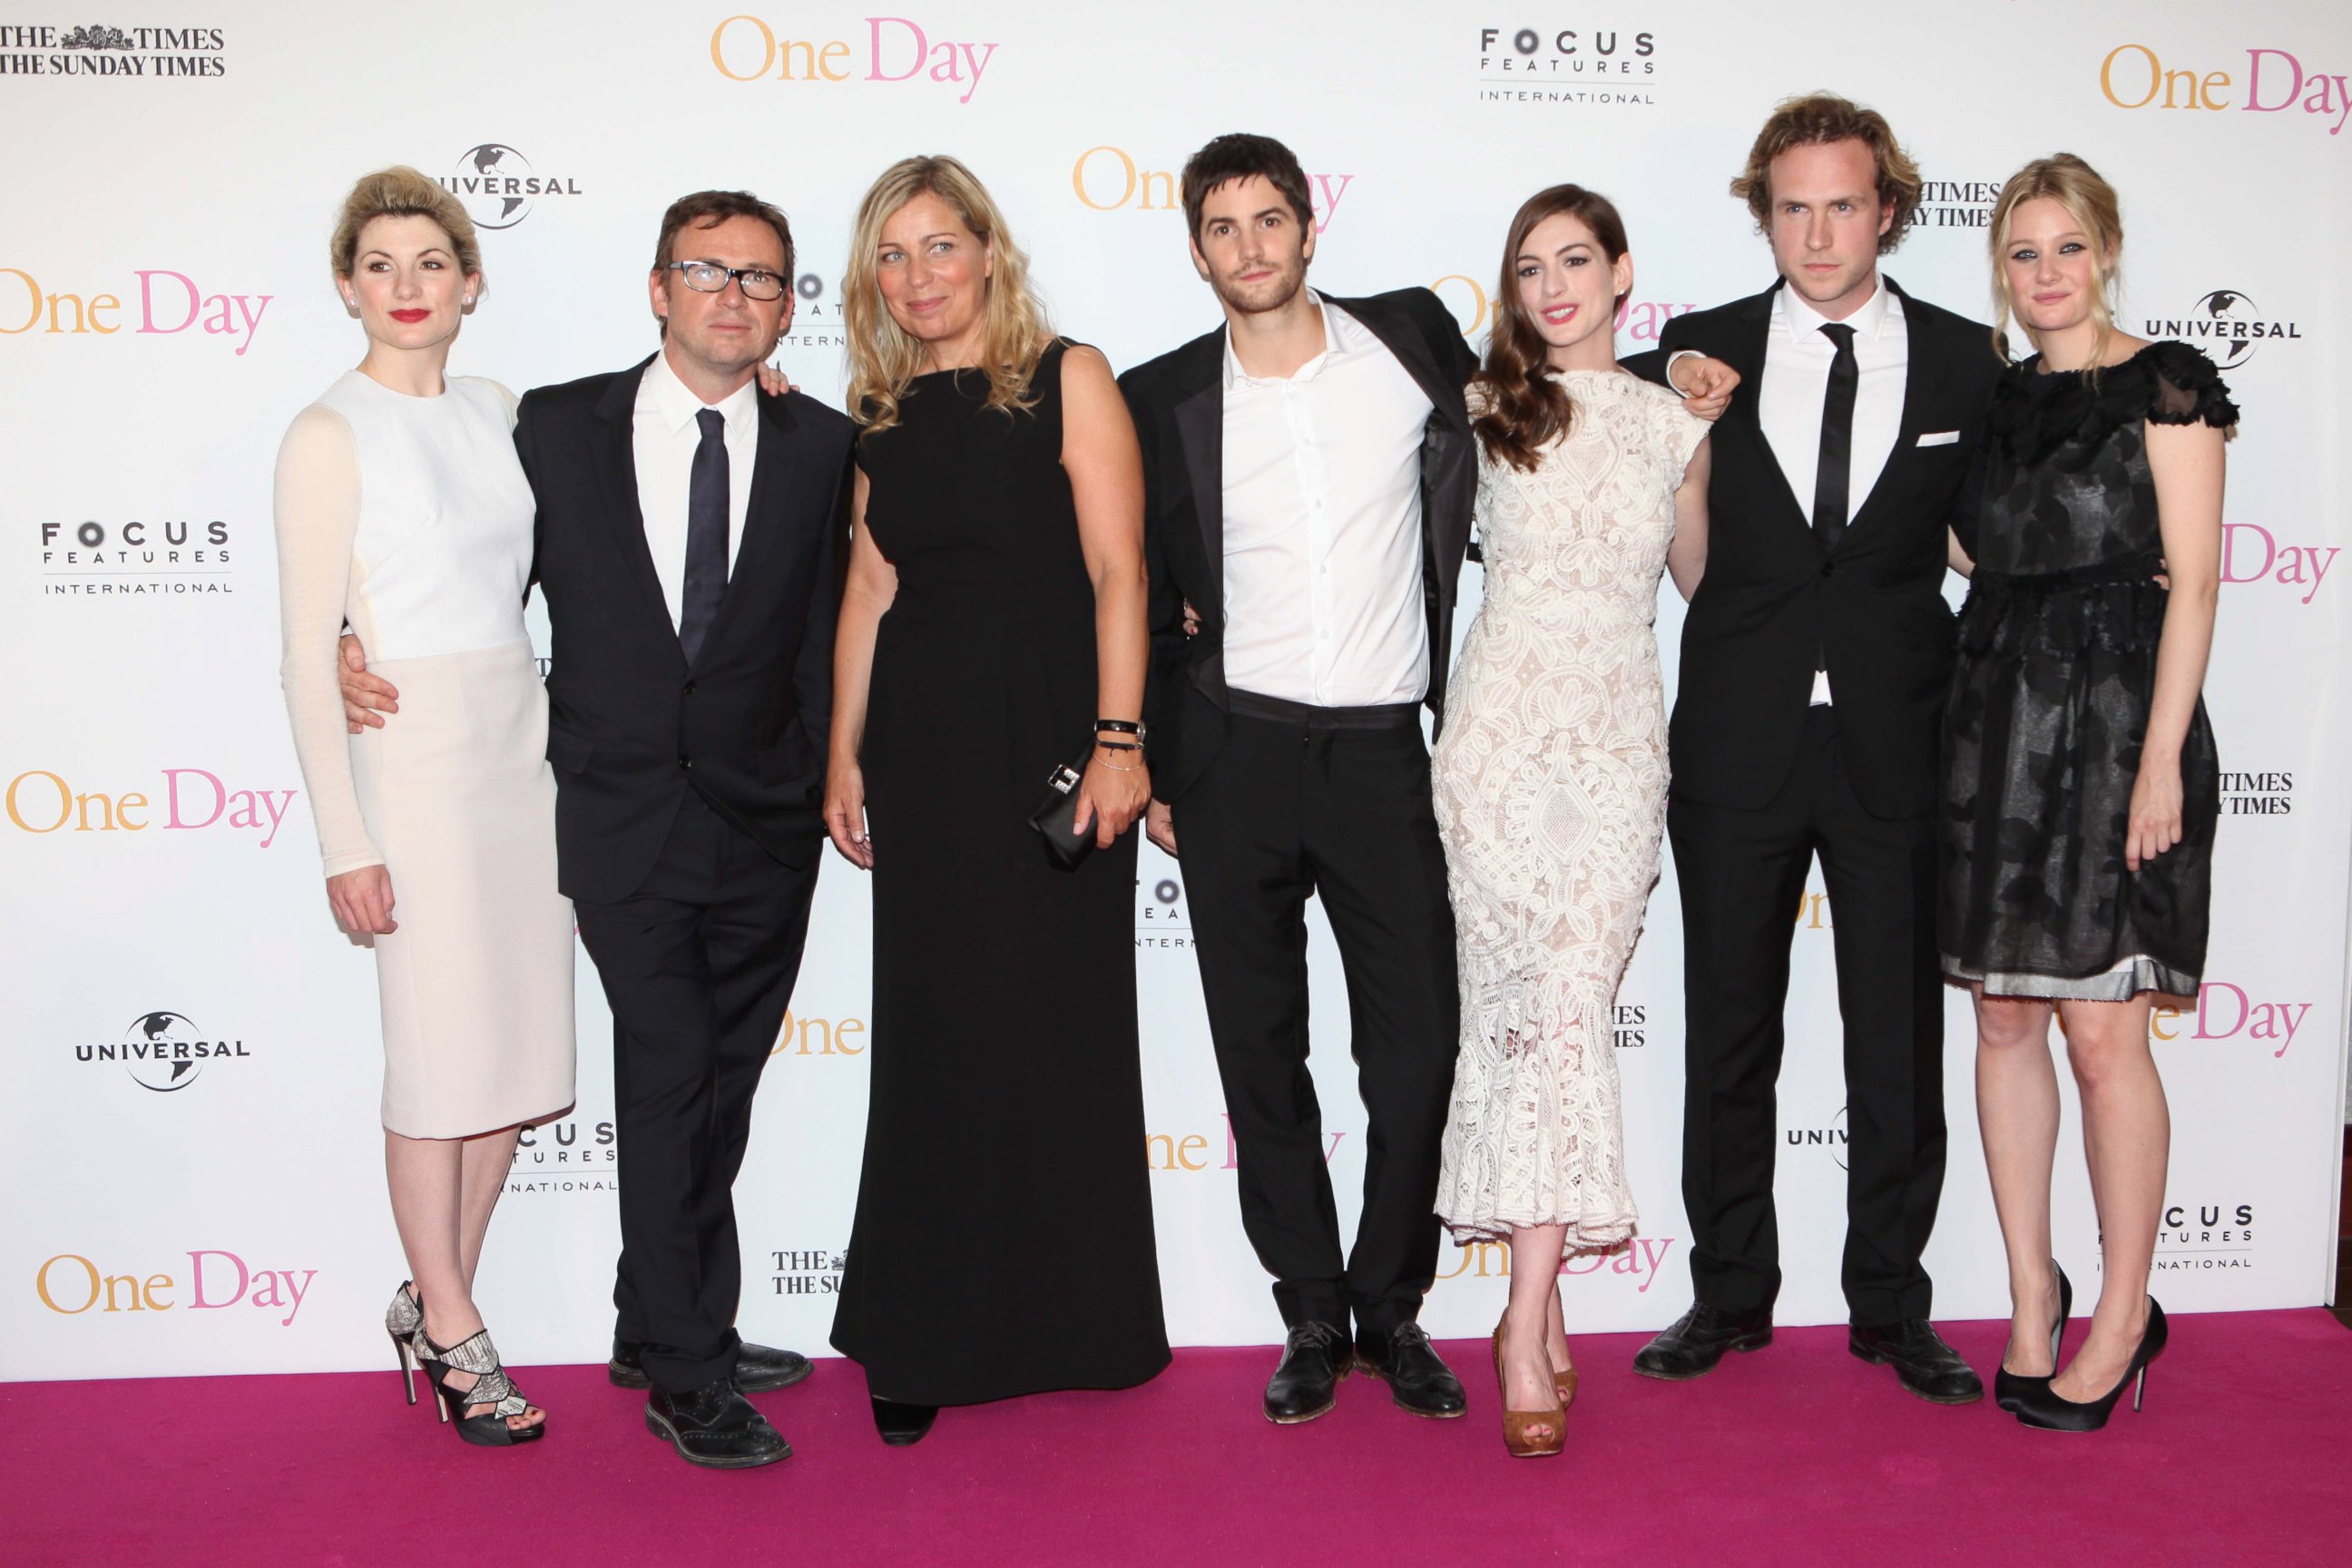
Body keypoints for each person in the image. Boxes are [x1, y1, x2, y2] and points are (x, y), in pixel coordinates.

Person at [341, 190, 854, 1469]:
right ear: (657, 287)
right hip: (619, 818)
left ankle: (651, 1317)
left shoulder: (823, 444)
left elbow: (829, 630)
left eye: (761, 281)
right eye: (707, 271)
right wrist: (352, 638)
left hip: (766, 824)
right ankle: (687, 1370)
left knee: (719, 1089)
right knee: (670, 1072)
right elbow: (454, 558)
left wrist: (817, 783)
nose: (733, 298)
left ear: (788, 307)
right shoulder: (553, 426)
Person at [1622, 93, 2004, 1403]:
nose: (1820, 231)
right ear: (1764, 212)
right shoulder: (1695, 352)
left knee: (1896, 1036)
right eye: (1794, 205)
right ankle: (1727, 1295)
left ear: (1888, 209)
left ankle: (1894, 1307)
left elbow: (1986, 546)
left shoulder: (1966, 364)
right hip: (1739, 736)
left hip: (1902, 741)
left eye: (1845, 203)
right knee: (1727, 1028)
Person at [1119, 132, 1480, 1426]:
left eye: (1271, 219)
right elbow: (1136, 594)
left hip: (1384, 753)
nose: (1251, 247)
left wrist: (1680, 373)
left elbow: (1552, 403)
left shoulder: (1414, 343)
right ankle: (1314, 1310)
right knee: (1259, 1050)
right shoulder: (1160, 397)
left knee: (1419, 1046)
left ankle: (1395, 1305)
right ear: (1198, 247)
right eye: (1224, 227)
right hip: (1237, 758)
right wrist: (1157, 744)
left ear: (1310, 226)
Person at [823, 154, 1170, 1446]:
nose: (919, 276)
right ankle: (922, 1334)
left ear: (989, 253)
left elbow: (1121, 569)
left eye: (940, 247)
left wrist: (1121, 741)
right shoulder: (883, 415)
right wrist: (843, 755)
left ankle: (1078, 1325)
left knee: (1059, 1035)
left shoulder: (1070, 375)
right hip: (923, 759)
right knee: (934, 1043)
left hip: (1052, 757)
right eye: (892, 256)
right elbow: (868, 592)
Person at [274, 166, 573, 1446]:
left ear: (472, 280)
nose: (407, 287)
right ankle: (454, 1327)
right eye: (381, 266)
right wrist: (347, 838)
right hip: (415, 769)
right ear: (347, 285)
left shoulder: (502, 410)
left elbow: (624, 481)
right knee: (438, 1059)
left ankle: (428, 1294)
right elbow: (303, 651)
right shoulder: (325, 433)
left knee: (514, 1061)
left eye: (430, 263)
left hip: (521, 748)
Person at [1945, 154, 2230, 1433]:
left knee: (2105, 1033)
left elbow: (2199, 580)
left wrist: (2160, 756)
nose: (2046, 273)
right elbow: (1972, 545)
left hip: (2118, 722)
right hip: (1997, 720)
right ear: (1999, 271)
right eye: (2022, 253)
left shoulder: (2167, 383)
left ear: (2105, 248)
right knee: (2004, 1021)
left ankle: (2125, 1312)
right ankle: (2027, 1297)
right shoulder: (1997, 401)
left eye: (2066, 247)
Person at [1432, 185, 1716, 1456]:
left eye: (1576, 261)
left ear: (1621, 274)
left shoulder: (1675, 421)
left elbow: (1698, 580)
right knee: (1528, 1017)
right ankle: (1527, 1314)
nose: (1553, 286)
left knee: (1569, 1013)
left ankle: (1523, 1315)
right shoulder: (1482, 412)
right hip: (1495, 745)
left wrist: (1707, 411)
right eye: (1530, 268)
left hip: (1614, 752)